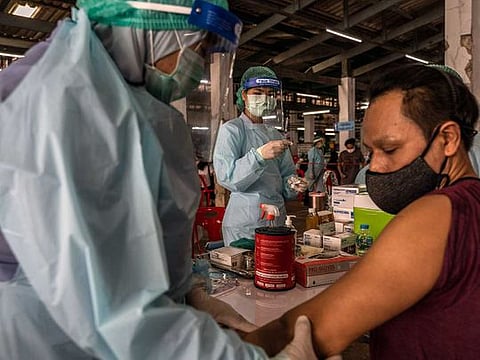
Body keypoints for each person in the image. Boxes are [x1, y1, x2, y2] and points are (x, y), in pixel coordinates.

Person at [0, 1, 315, 359]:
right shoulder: (64, 100)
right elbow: (116, 311)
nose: (197, 64)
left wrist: (187, 295)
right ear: (156, 20)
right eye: (199, 46)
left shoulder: (119, 95)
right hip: (49, 335)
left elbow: (137, 238)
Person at [244, 63, 480, 359]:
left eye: (391, 149)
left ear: (448, 139)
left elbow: (308, 327)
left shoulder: (435, 214)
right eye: (371, 152)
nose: (375, 168)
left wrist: (220, 349)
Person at [213, 66, 307, 246]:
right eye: (258, 92)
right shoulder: (232, 130)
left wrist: (294, 184)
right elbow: (227, 178)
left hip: (277, 219)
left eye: (270, 94)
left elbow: (286, 175)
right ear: (244, 95)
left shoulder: (275, 134)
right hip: (245, 223)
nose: (265, 98)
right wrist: (258, 156)